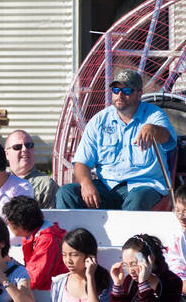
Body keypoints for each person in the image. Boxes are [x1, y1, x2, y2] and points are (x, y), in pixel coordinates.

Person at [56, 67, 177, 211]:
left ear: (139, 94)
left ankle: (130, 235)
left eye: (126, 91)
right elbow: (81, 163)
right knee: (66, 193)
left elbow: (167, 138)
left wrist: (153, 129)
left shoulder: (155, 115)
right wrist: (86, 183)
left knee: (137, 200)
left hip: (144, 186)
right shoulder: (99, 120)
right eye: (115, 90)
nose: (120, 95)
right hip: (107, 187)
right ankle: (70, 234)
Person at [1, 195, 67, 290]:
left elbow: (32, 279)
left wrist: (5, 283)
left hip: (50, 295)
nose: (7, 223)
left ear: (21, 224)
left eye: (9, 221)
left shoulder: (47, 239)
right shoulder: (34, 234)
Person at [4, 130, 58, 208]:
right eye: (17, 147)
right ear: (7, 154)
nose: (24, 149)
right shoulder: (0, 178)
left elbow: (54, 217)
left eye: (29, 145)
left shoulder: (46, 184)